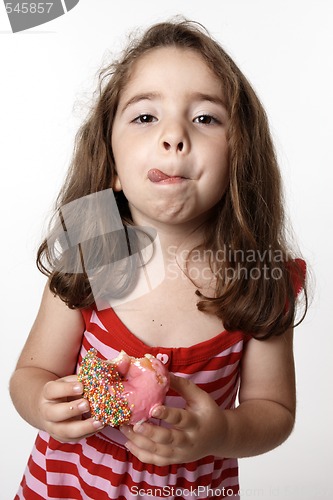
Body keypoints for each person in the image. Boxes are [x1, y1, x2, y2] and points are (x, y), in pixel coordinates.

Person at [10, 19, 307, 500]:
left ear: (240, 159)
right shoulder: (92, 250)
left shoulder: (260, 281)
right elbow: (30, 374)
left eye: (206, 118)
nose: (174, 136)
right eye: (146, 117)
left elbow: (274, 410)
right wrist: (42, 406)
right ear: (112, 164)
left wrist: (220, 435)